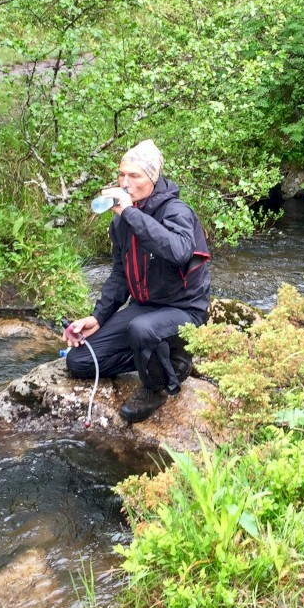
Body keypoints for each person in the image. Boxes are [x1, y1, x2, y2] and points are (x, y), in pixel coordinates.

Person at [63, 140, 211, 423]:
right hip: (145, 307)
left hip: (184, 310)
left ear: (152, 178)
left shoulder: (176, 211)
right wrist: (98, 317)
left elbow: (179, 252)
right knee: (79, 361)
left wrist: (131, 212)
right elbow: (120, 274)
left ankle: (155, 388)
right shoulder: (120, 222)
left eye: (135, 175)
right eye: (122, 174)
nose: (125, 182)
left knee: (142, 330)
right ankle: (167, 363)